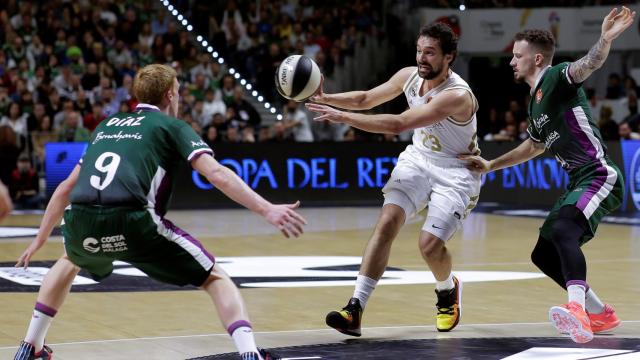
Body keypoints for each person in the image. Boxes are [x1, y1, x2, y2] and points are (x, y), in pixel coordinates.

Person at [13, 64, 307, 360]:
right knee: (215, 277)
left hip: (80, 222)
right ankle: (249, 354)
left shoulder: (107, 126)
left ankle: (30, 346)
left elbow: (64, 188)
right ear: (170, 95)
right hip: (134, 223)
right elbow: (217, 174)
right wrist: (267, 209)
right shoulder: (173, 127)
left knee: (69, 259)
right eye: (178, 92)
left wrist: (40, 239)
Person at [462, 7, 635, 344]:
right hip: (578, 181)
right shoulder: (534, 104)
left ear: (537, 59)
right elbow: (533, 147)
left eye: (517, 55)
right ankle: (600, 313)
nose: (511, 61)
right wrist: (491, 165)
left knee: (563, 228)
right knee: (543, 253)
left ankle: (577, 309)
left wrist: (604, 40)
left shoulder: (556, 77)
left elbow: (589, 64)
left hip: (598, 174)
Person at [306, 23, 480, 335]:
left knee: (428, 246)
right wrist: (325, 97)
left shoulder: (457, 96)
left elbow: (399, 124)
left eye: (430, 53)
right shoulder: (409, 75)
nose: (421, 58)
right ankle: (355, 308)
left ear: (449, 57)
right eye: (418, 50)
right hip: (419, 158)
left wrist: (343, 118)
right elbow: (365, 99)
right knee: (387, 222)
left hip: (456, 172)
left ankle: (447, 290)